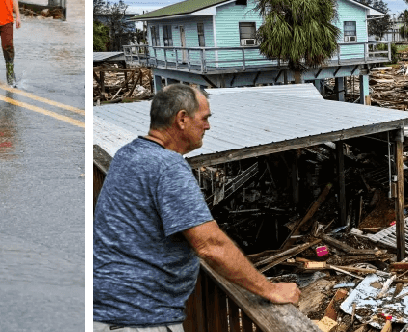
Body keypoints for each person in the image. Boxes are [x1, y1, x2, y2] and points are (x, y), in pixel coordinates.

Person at [93, 84, 300, 331]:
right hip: (139, 318)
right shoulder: (167, 166)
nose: (208, 126)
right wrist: (270, 289)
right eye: (204, 118)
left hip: (107, 310)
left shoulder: (126, 154)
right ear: (182, 119)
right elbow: (210, 245)